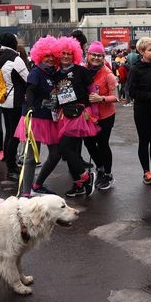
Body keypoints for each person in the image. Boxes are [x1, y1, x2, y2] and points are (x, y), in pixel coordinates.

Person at [15, 36, 62, 197]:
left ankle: (38, 183)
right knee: (31, 158)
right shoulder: (36, 72)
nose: (49, 59)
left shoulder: (55, 74)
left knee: (56, 154)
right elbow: (30, 90)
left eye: (52, 56)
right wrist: (28, 107)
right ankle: (25, 193)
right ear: (39, 56)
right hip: (34, 118)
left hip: (50, 118)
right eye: (46, 56)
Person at [53, 36, 99, 197]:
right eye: (63, 53)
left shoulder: (82, 71)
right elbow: (54, 95)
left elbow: (93, 92)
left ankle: (86, 177)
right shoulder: (56, 73)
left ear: (75, 55)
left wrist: (95, 113)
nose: (66, 56)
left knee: (65, 148)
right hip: (64, 115)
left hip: (80, 114)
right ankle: (78, 184)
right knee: (70, 151)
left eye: (69, 53)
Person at [127, 36, 151, 185]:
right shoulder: (135, 69)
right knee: (145, 141)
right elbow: (131, 91)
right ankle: (146, 172)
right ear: (142, 51)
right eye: (150, 50)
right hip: (142, 110)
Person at [83, 41, 118, 190]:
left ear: (103, 58)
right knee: (89, 143)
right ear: (88, 55)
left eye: (100, 55)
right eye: (93, 55)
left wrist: (101, 98)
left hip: (105, 116)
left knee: (102, 144)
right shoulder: (82, 70)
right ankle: (100, 167)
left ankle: (108, 174)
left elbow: (115, 97)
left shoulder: (108, 74)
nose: (96, 58)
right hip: (87, 115)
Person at [0, 33, 29, 180]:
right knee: (14, 136)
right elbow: (28, 79)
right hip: (15, 101)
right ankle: (11, 168)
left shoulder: (0, 57)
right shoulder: (15, 59)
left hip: (4, 100)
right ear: (13, 42)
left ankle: (10, 164)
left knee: (9, 133)